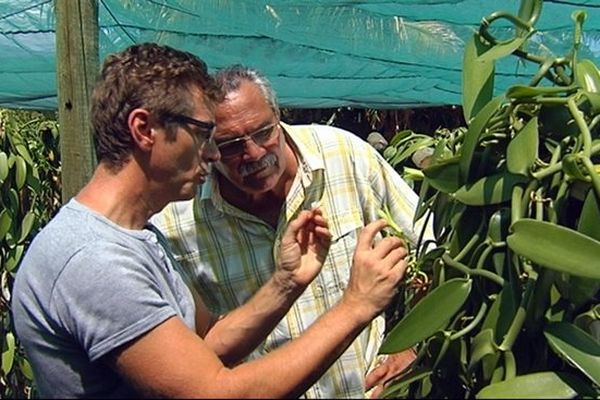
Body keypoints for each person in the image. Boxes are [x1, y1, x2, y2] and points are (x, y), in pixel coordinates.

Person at [11, 43, 410, 398]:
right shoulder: (94, 262)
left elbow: (206, 343)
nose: (216, 155)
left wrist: (286, 282)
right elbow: (213, 389)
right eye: (205, 134)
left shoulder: (136, 237)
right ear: (144, 129)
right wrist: (356, 306)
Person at [153, 65, 433, 398]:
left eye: (263, 133)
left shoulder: (345, 157)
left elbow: (433, 246)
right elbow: (192, 355)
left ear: (277, 115)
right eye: (231, 146)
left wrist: (412, 343)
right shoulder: (177, 225)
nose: (254, 154)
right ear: (207, 147)